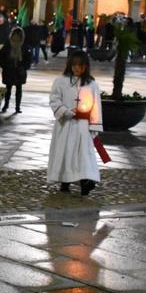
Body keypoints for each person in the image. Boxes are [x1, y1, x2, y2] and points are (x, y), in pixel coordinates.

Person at [48, 51, 103, 196]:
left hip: (83, 127)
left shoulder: (92, 84)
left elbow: (96, 106)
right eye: (74, 65)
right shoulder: (61, 81)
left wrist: (94, 127)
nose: (77, 68)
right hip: (65, 125)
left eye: (80, 65)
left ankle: (86, 181)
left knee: (84, 155)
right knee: (66, 152)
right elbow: (54, 99)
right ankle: (64, 181)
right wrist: (64, 111)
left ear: (85, 66)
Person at [0, 27, 31, 114]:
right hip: (9, 70)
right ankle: (6, 105)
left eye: (18, 35)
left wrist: (24, 67)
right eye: (14, 35)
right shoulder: (8, 44)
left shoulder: (24, 45)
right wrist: (4, 66)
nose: (16, 37)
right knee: (8, 89)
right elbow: (1, 56)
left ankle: (17, 107)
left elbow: (28, 58)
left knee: (19, 89)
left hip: (19, 71)